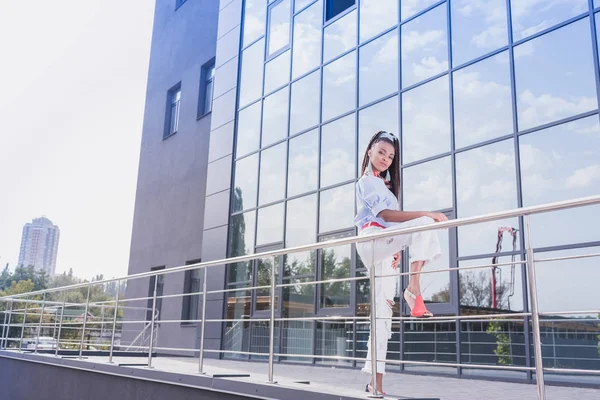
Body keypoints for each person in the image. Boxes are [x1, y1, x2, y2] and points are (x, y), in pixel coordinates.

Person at [354, 130, 448, 395]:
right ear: (370, 151)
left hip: (385, 244)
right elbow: (384, 215)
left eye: (391, 156)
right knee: (425, 221)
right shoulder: (365, 182)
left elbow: (391, 220)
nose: (386, 159)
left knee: (383, 316)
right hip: (371, 241)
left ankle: (376, 384)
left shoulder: (387, 188)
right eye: (382, 152)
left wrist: (396, 248)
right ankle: (413, 288)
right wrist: (425, 213)